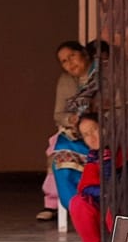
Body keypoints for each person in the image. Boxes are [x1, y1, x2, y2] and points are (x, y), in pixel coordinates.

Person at [38, 41, 101, 219]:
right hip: (75, 133)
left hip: (101, 132)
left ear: (84, 54)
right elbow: (59, 114)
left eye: (72, 56)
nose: (70, 63)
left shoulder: (104, 75)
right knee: (59, 152)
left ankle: (94, 205)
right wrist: (70, 120)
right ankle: (72, 205)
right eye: (64, 61)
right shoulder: (65, 81)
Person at [67, 113, 118, 242]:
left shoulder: (122, 149)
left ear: (105, 128)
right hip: (102, 200)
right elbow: (85, 186)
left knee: (115, 206)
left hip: (121, 201)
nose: (92, 137)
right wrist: (101, 193)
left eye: (95, 129)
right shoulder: (94, 156)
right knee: (78, 203)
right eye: (86, 134)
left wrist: (107, 193)